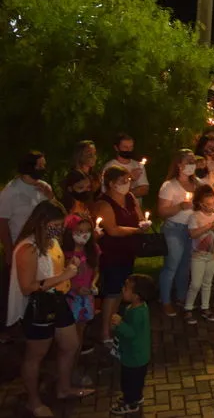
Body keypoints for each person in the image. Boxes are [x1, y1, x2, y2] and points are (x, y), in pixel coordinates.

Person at [8, 201, 95, 416]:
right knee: (35, 355)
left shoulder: (51, 241)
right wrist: (64, 276)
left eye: (60, 225)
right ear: (41, 223)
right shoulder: (28, 249)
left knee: (70, 344)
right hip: (38, 306)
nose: (59, 230)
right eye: (55, 225)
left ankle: (63, 388)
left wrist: (69, 267)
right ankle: (33, 401)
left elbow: (55, 269)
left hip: (57, 299)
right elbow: (28, 287)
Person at [0, 151, 54, 342]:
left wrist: (50, 196)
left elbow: (54, 214)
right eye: (40, 165)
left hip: (43, 247)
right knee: (16, 288)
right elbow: (3, 223)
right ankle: (10, 326)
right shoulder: (11, 192)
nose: (43, 169)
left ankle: (36, 319)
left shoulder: (44, 187)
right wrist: (8, 250)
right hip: (21, 247)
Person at [94, 165, 149, 343]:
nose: (127, 184)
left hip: (128, 252)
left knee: (120, 291)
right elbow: (113, 230)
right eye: (122, 181)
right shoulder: (104, 203)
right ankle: (104, 332)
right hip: (112, 253)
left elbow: (139, 217)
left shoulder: (130, 197)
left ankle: (113, 324)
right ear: (111, 183)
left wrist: (143, 224)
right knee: (112, 292)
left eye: (128, 180)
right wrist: (136, 231)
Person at [157, 150, 198, 316]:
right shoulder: (169, 186)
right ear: (179, 165)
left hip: (191, 229)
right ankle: (165, 300)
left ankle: (181, 297)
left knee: (185, 266)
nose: (192, 164)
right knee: (172, 265)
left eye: (193, 161)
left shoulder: (197, 184)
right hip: (174, 229)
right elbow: (161, 211)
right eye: (188, 161)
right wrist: (180, 206)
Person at [109, 274, 154, 415]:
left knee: (129, 382)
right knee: (136, 381)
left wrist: (119, 324)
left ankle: (131, 403)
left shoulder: (137, 313)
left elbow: (131, 333)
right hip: (139, 355)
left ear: (136, 295)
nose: (123, 290)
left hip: (134, 357)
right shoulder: (138, 307)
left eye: (126, 288)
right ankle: (136, 397)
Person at [61, 213, 100, 359]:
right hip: (69, 299)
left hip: (86, 298)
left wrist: (94, 284)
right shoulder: (64, 254)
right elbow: (61, 278)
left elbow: (96, 270)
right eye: (79, 231)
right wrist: (76, 288)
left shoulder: (92, 249)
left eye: (87, 231)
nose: (84, 235)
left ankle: (75, 364)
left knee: (80, 334)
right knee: (68, 339)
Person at [184, 185, 214, 324]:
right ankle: (188, 308)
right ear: (200, 204)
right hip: (198, 255)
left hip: (212, 255)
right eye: (208, 204)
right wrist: (208, 226)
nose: (211, 206)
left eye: (213, 203)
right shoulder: (195, 216)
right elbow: (192, 234)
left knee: (207, 283)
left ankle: (205, 308)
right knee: (195, 283)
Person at [101, 134, 149, 199]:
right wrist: (130, 178)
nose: (129, 150)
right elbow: (106, 191)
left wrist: (124, 192)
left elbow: (144, 189)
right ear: (116, 148)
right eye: (125, 147)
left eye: (131, 147)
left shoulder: (138, 165)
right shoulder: (109, 167)